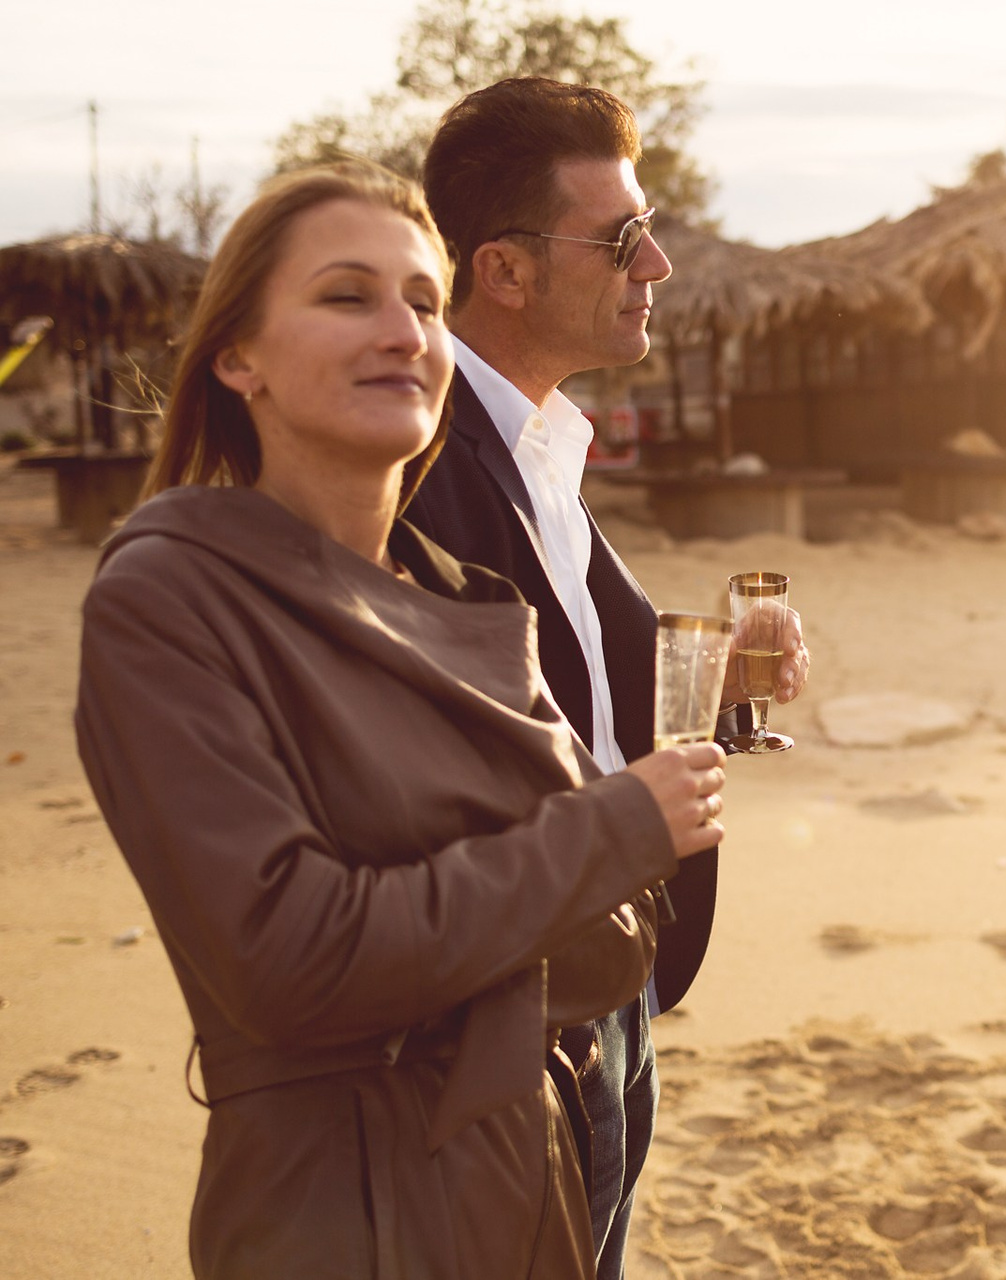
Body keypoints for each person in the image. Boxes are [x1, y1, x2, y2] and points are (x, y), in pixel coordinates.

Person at [73, 163, 727, 1277]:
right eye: (347, 296)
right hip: (344, 1211)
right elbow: (292, 961)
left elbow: (613, 947)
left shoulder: (470, 600)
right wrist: (605, 831)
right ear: (237, 356)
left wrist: (446, 931)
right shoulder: (170, 596)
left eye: (424, 303)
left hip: (535, 1175)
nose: (403, 331)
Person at [402, 76, 810, 1277]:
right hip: (515, 1009)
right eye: (623, 236)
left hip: (608, 978)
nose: (658, 264)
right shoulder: (419, 466)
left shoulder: (538, 444)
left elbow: (584, 695)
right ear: (504, 269)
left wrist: (721, 678)